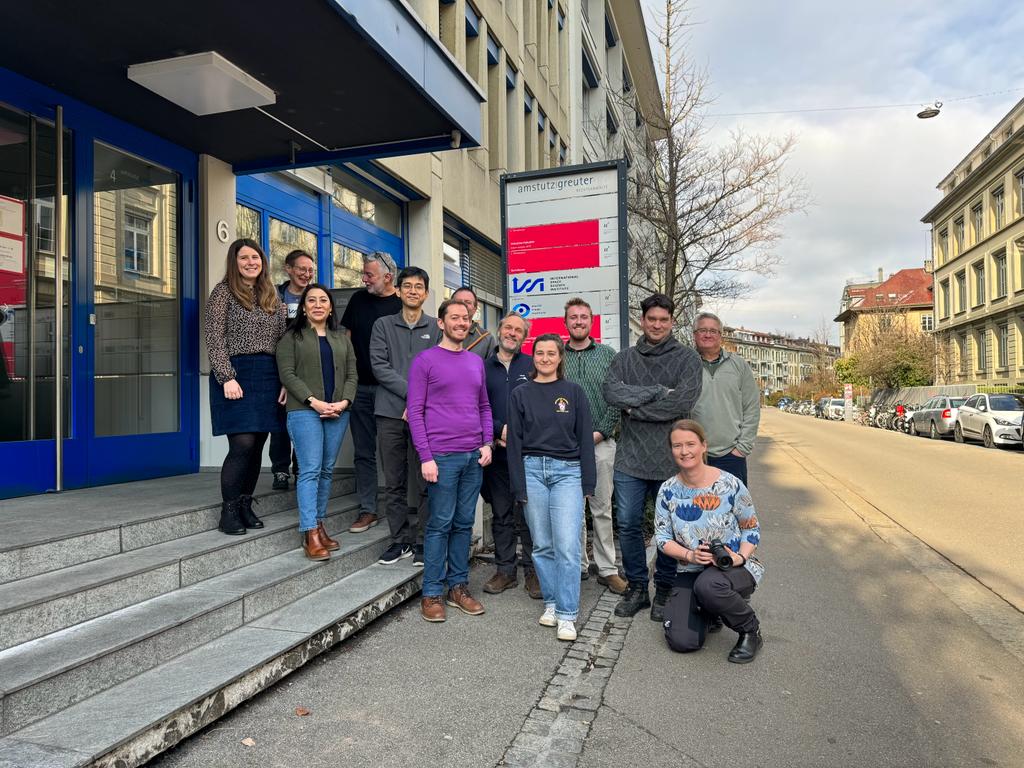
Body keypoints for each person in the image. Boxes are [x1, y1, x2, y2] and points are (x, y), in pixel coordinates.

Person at [602, 293, 703, 621]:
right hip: (630, 458)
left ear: (672, 322)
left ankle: (664, 590)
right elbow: (611, 393)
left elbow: (681, 404)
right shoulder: (625, 359)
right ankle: (636, 588)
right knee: (629, 525)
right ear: (642, 321)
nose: (657, 325)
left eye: (663, 320)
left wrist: (635, 408)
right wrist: (658, 392)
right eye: (651, 319)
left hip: (671, 460)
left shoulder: (687, 359)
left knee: (670, 530)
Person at [408, 299, 493, 622]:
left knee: (462, 524)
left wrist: (487, 443)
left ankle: (458, 587)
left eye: (465, 318)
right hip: (441, 457)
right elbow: (415, 411)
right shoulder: (425, 361)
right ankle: (431, 593)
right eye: (454, 317)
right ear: (441, 323)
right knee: (440, 524)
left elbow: (484, 407)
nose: (461, 322)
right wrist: (425, 456)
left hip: (473, 456)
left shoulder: (475, 362)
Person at [507, 334, 596, 642]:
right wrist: (518, 484)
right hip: (532, 471)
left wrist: (588, 482)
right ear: (533, 357)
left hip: (567, 473)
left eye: (551, 353)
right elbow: (514, 443)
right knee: (542, 544)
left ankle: (568, 615)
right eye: (539, 353)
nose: (545, 358)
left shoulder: (573, 392)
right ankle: (552, 602)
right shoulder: (521, 393)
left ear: (560, 357)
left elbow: (585, 439)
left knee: (568, 546)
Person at [654, 419, 764, 663]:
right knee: (682, 641)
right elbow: (662, 538)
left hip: (732, 567)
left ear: (704, 446)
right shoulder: (667, 490)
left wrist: (739, 557)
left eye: (691, 444)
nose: (685, 451)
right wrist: (690, 556)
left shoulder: (730, 484)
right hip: (690, 569)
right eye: (677, 446)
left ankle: (750, 630)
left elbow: (752, 529)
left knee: (709, 587)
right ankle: (710, 610)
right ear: (671, 450)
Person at [205, 238, 287, 536]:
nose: (251, 262)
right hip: (236, 373)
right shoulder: (222, 293)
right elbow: (214, 338)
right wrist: (226, 377)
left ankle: (244, 504)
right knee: (242, 444)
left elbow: (282, 342)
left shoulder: (272, 296)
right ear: (234, 262)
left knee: (259, 446)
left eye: (255, 257)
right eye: (244, 258)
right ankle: (228, 511)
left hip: (268, 374)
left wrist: (285, 381)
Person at [276, 284, 356, 560]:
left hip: (338, 410)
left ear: (331, 307)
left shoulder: (341, 338)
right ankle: (309, 532)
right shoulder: (291, 337)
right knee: (310, 469)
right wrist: (315, 402)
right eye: (312, 300)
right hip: (304, 411)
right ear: (304, 306)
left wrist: (343, 403)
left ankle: (320, 525)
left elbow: (352, 376)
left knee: (326, 470)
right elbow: (287, 375)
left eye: (323, 300)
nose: (318, 304)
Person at [370, 266, 440, 565]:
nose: (413, 291)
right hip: (389, 412)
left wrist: (418, 403)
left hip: (426, 416)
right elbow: (379, 366)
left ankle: (424, 541)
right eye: (407, 286)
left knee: (427, 479)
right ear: (397, 290)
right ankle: (399, 541)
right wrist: (413, 395)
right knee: (394, 480)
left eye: (419, 286)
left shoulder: (437, 327)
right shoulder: (382, 325)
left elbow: (440, 367)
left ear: (426, 293)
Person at [562, 297, 626, 594]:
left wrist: (599, 433)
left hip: (601, 444)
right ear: (566, 322)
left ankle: (607, 568)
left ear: (591, 321)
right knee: (573, 510)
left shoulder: (608, 355)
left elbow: (616, 400)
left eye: (583, 317)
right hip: (564, 447)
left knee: (601, 508)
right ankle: (578, 565)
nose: (578, 321)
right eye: (573, 317)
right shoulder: (556, 355)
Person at [340, 252, 402, 534]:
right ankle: (368, 509)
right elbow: (347, 343)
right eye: (364, 274)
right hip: (361, 389)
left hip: (392, 391)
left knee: (394, 452)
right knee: (363, 452)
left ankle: (399, 509)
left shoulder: (401, 304)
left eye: (369, 275)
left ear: (388, 277)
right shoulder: (357, 300)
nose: (364, 279)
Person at [481, 312, 539, 597]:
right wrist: (498, 431)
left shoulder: (532, 366)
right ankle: (505, 571)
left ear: (524, 337)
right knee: (502, 514)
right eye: (508, 328)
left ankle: (532, 571)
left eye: (519, 330)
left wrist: (516, 434)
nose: (512, 333)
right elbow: (475, 405)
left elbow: (541, 407)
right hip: (497, 454)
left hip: (527, 454)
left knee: (529, 514)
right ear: (499, 330)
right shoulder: (482, 366)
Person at [689, 312, 760, 487]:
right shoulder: (685, 364)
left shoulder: (738, 365)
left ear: (720, 335)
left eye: (713, 331)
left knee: (732, 511)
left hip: (731, 456)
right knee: (695, 510)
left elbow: (751, 407)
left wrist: (742, 449)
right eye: (702, 330)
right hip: (693, 455)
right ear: (694, 335)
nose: (707, 334)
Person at [270, 249, 317, 490]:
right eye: (301, 268)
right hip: (277, 365)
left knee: (303, 419)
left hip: (305, 367)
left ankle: (301, 469)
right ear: (288, 269)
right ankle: (280, 470)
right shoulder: (273, 295)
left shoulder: (315, 297)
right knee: (279, 421)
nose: (306, 274)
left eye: (310, 270)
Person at [451, 286, 497, 359]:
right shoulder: (439, 332)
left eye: (468, 302)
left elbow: (491, 369)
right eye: (458, 302)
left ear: (475, 309)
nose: (463, 305)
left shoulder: (486, 339)